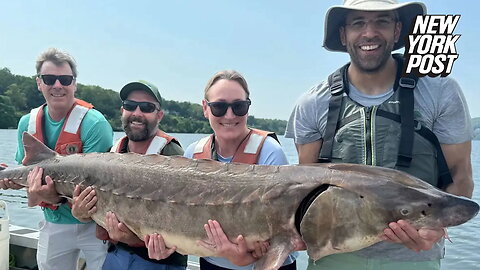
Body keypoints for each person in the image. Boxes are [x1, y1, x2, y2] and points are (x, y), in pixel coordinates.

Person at [285, 0, 474, 269]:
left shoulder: (440, 91)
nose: (369, 32)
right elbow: (304, 189)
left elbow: (461, 176)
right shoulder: (313, 102)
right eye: (358, 23)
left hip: (415, 258)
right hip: (334, 257)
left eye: (381, 21)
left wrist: (435, 228)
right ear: (343, 34)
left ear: (397, 31)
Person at [171, 70, 298, 270]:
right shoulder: (192, 153)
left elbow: (285, 231)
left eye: (239, 106)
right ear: (205, 108)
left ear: (248, 107)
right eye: (219, 107)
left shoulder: (270, 152)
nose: (229, 115)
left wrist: (241, 256)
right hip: (211, 264)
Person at [1, 48, 114, 269]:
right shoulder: (26, 124)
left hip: (95, 223)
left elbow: (99, 187)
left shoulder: (95, 123)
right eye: (49, 79)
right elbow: (27, 178)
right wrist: (10, 181)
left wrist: (53, 197)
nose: (57, 85)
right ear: (39, 83)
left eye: (65, 79)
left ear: (75, 84)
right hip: (53, 222)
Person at [71, 80, 187, 270]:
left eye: (147, 107)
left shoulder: (172, 154)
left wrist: (133, 239)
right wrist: (81, 213)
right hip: (116, 255)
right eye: (130, 106)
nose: (137, 113)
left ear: (159, 115)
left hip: (159, 262)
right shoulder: (112, 152)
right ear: (122, 111)